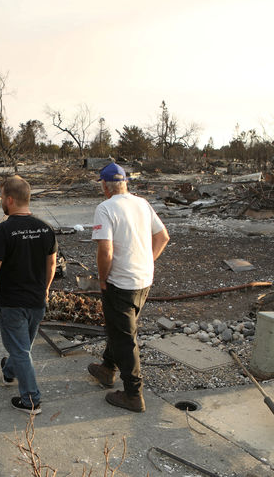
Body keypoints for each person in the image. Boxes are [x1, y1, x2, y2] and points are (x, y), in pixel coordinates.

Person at [88, 162, 170, 412]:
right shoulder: (142, 203)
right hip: (143, 279)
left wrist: (103, 279)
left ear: (104, 185)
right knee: (119, 328)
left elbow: (106, 250)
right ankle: (107, 369)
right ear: (125, 183)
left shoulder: (105, 208)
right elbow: (163, 236)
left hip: (121, 283)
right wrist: (147, 260)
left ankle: (134, 394)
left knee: (125, 338)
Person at [0, 175, 57, 415]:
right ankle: (9, 371)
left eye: (2, 197)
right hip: (36, 301)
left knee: (21, 349)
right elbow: (51, 264)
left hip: (13, 303)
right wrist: (46, 288)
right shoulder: (45, 228)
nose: (1, 201)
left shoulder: (4, 230)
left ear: (10, 200)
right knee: (22, 347)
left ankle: (31, 400)